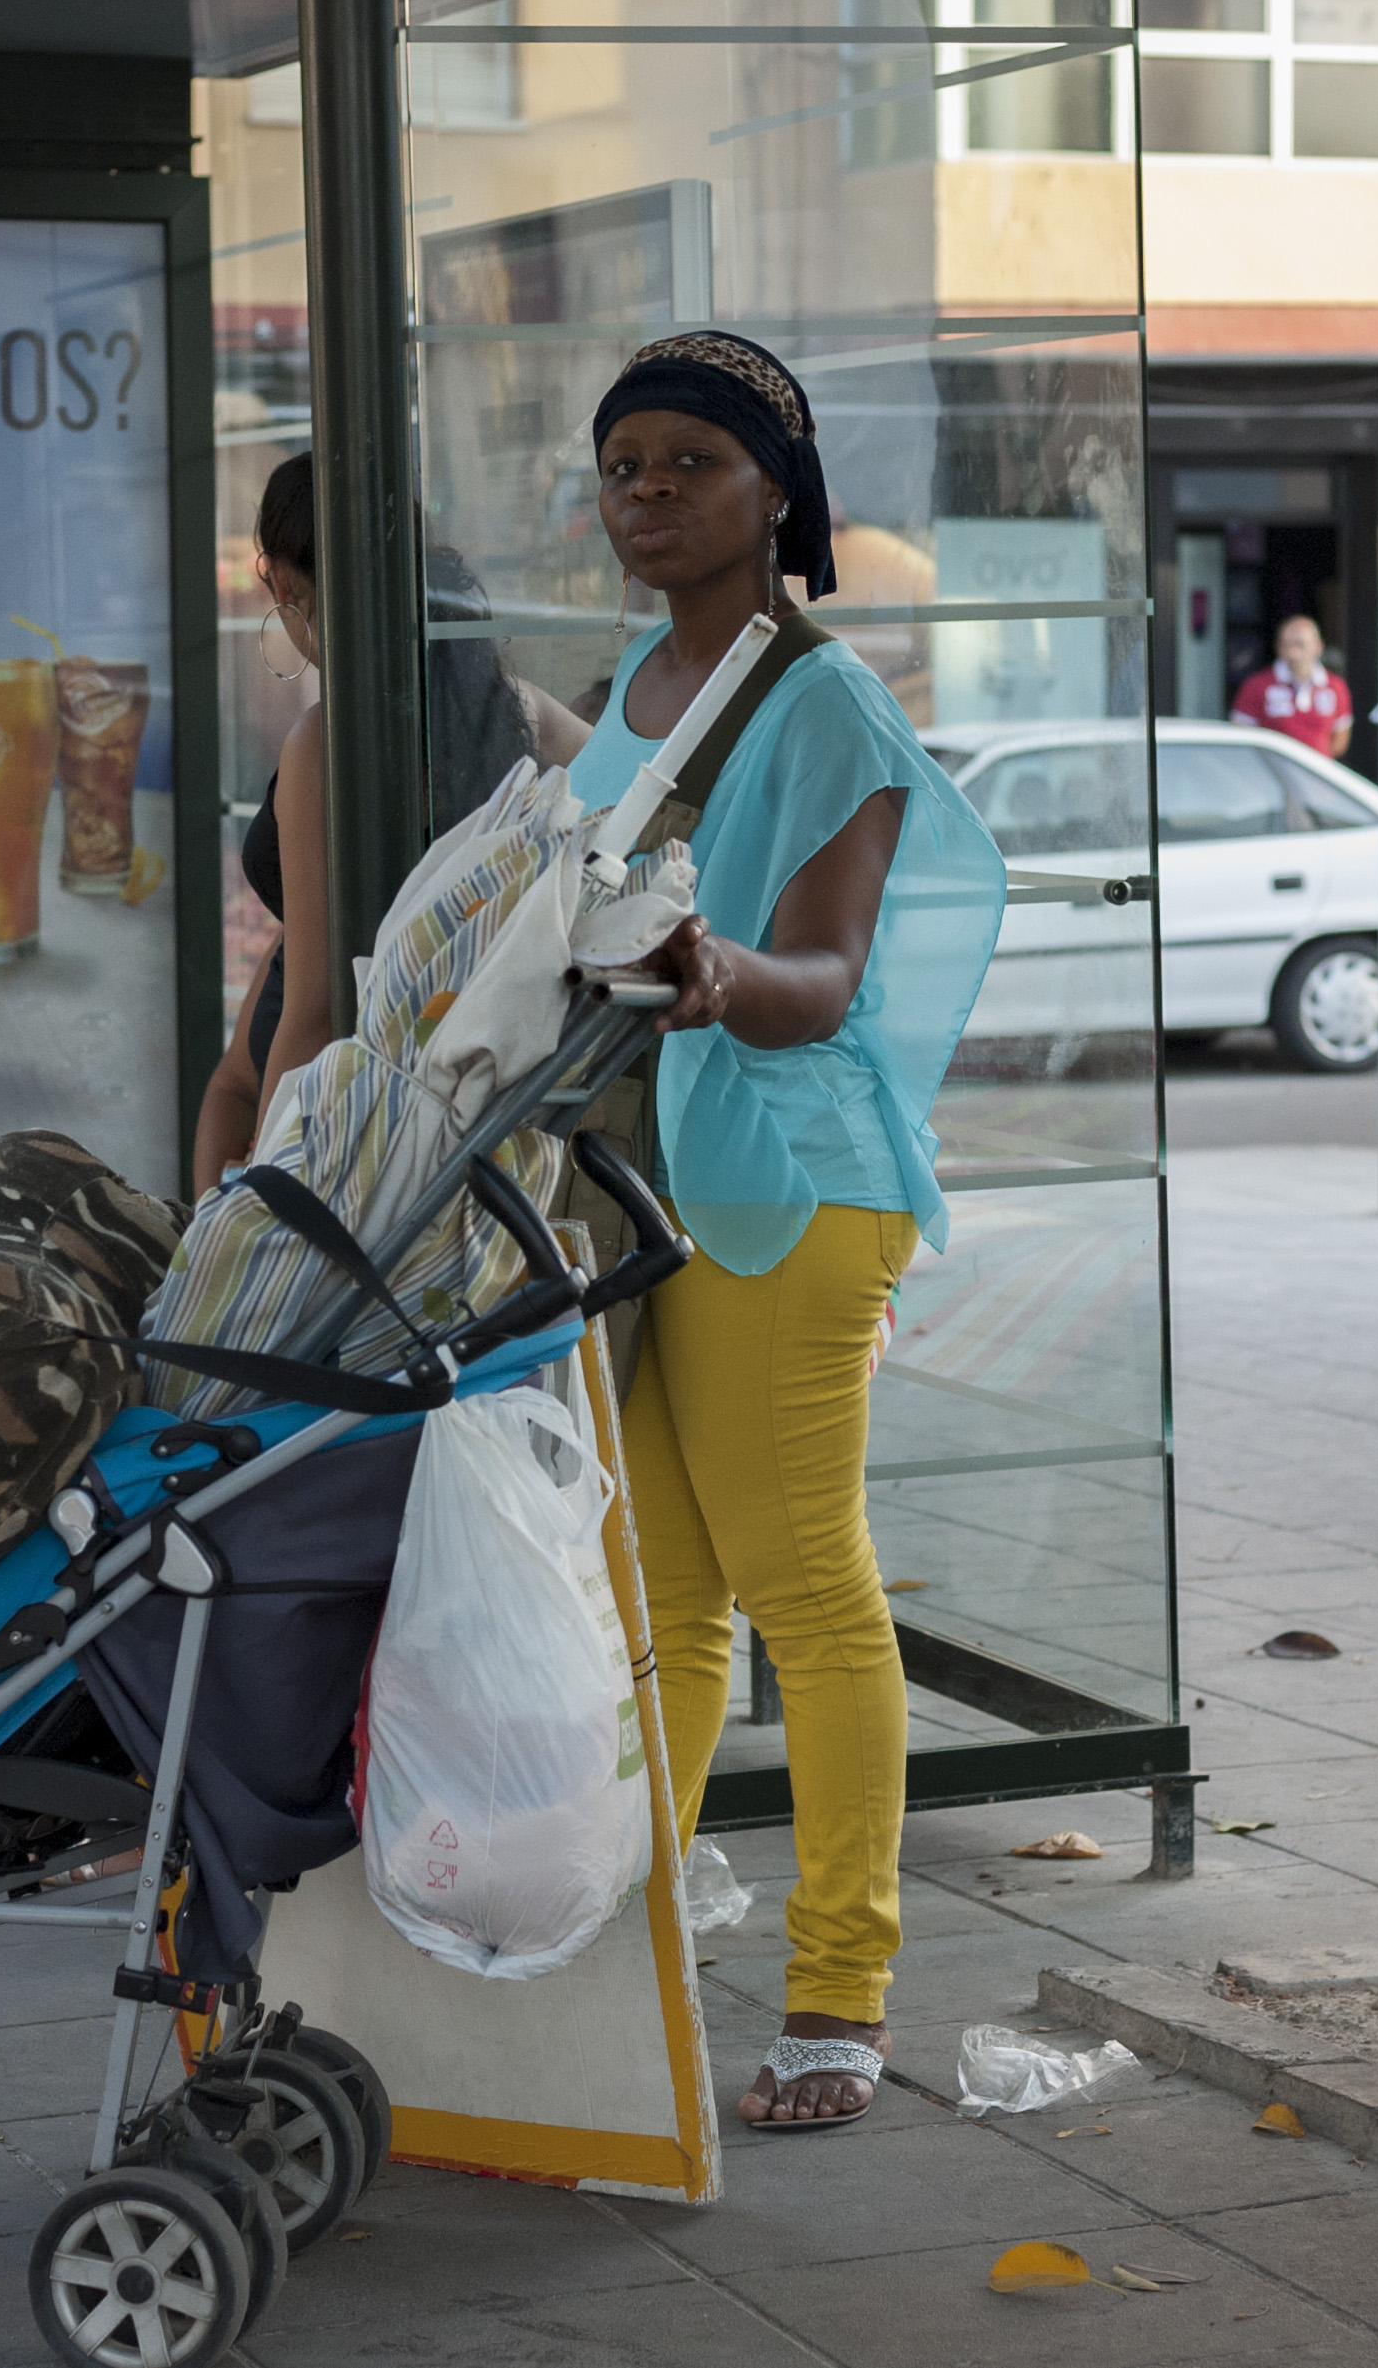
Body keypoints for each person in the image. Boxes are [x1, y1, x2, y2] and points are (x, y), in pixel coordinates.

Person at [573, 331, 1003, 2133]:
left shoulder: (823, 700)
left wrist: (719, 971)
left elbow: (822, 976)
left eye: (689, 463)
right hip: (649, 1175)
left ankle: (837, 1988)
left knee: (806, 1591)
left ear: (777, 494)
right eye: (623, 467)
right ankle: (615, 1963)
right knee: (662, 1604)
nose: (648, 493)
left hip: (788, 1176)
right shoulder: (637, 675)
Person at [189, 454, 591, 1187]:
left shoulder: (326, 740)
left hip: (340, 1108)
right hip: (452, 1096)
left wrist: (265, 1187)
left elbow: (312, 1012)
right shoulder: (523, 714)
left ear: (279, 583)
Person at [1231, 612, 1352, 758]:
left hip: (1316, 774)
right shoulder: (1256, 685)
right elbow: (1240, 737)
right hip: (1272, 776)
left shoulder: (1335, 686)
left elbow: (1339, 742)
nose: (1293, 653)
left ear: (1317, 647)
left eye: (1300, 645)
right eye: (1286, 646)